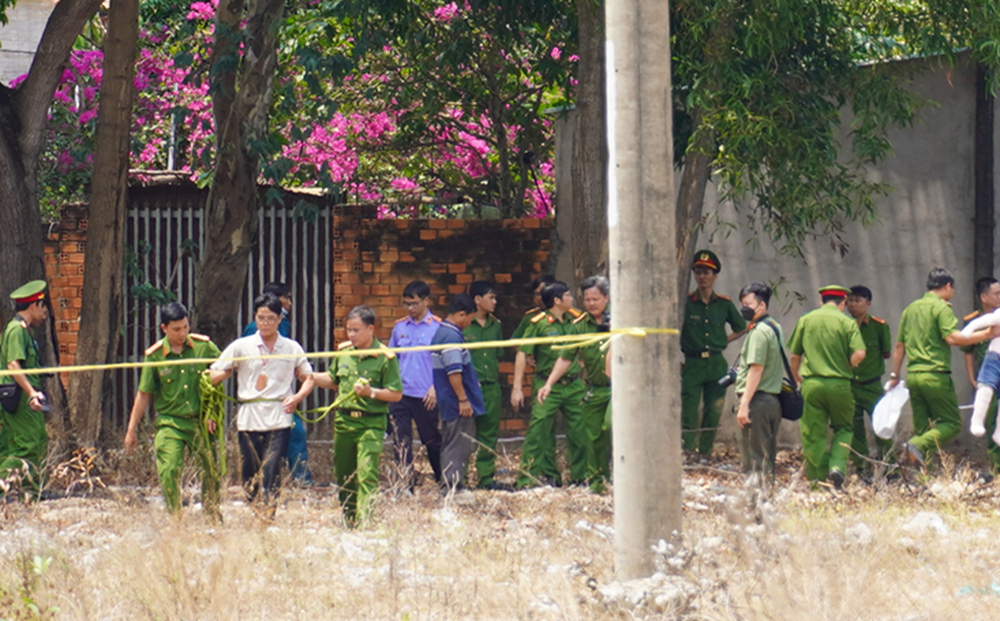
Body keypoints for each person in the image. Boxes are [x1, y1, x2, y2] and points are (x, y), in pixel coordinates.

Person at [208, 294, 314, 515]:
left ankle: (270, 511)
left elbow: (308, 377)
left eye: (270, 318)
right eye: (261, 318)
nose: (265, 323)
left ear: (279, 320)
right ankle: (255, 506)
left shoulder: (291, 347)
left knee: (272, 465)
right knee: (250, 468)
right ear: (255, 318)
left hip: (279, 414)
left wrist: (297, 398)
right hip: (249, 415)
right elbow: (217, 370)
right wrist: (210, 378)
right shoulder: (241, 346)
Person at [889, 268, 997, 468]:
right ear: (947, 286)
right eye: (952, 289)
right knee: (952, 423)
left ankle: (923, 475)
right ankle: (914, 444)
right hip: (936, 375)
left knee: (924, 428)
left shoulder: (910, 309)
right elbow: (953, 338)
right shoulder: (941, 308)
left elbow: (899, 346)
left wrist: (895, 374)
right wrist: (987, 334)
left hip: (913, 375)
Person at [125, 302, 221, 514]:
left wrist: (212, 411)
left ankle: (213, 515)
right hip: (171, 422)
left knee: (210, 471)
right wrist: (132, 429)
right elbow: (144, 394)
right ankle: (175, 517)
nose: (183, 333)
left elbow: (224, 369)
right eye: (176, 329)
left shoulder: (203, 347)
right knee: (169, 469)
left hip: (200, 421)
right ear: (164, 329)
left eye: (185, 327)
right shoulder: (156, 355)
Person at [312, 306, 402, 526]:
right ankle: (349, 518)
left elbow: (396, 394)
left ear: (370, 329)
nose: (350, 335)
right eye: (348, 330)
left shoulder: (385, 357)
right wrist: (309, 376)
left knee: (366, 471)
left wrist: (371, 392)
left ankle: (365, 520)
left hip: (371, 422)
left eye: (356, 330)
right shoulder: (344, 352)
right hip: (344, 422)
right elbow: (333, 379)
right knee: (344, 472)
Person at [511, 281, 591, 487]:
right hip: (547, 384)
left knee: (580, 433)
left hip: (573, 385)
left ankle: (579, 477)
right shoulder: (538, 323)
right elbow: (522, 352)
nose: (572, 298)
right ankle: (530, 479)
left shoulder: (575, 320)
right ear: (557, 300)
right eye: (567, 295)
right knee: (539, 432)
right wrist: (517, 387)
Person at [537, 275, 611, 492]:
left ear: (606, 298)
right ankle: (598, 482)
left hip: (618, 390)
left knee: (611, 425)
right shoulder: (578, 326)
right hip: (594, 390)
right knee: (593, 437)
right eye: (587, 299)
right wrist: (549, 383)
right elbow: (565, 358)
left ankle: (624, 476)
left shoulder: (619, 322)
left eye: (596, 299)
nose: (591, 304)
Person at [788, 285, 866, 489]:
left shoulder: (806, 320)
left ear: (821, 301)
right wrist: (846, 364)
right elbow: (860, 353)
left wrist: (796, 376)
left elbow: (795, 355)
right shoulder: (847, 322)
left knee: (813, 433)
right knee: (844, 427)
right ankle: (837, 466)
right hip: (840, 383)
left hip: (811, 383)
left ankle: (818, 482)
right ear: (843, 303)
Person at [242, 282, 312, 487]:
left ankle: (293, 480)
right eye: (286, 298)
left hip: (281, 392)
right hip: (263, 396)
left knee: (291, 434)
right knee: (288, 435)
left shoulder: (283, 324)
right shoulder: (259, 328)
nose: (289, 303)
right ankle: (290, 480)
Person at [680, 250, 747, 457]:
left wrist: (723, 341)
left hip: (716, 363)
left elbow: (741, 326)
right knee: (689, 411)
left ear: (715, 275)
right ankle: (689, 452)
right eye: (698, 272)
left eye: (707, 272)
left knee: (714, 410)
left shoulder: (724, 304)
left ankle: (706, 452)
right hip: (693, 364)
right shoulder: (686, 302)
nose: (702, 276)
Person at [388, 280, 443, 489]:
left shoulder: (438, 327)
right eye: (406, 304)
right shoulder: (400, 327)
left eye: (414, 303)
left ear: (426, 301)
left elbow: (443, 362)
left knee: (431, 440)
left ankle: (442, 480)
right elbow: (392, 359)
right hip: (401, 393)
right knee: (401, 441)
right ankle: (405, 484)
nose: (410, 308)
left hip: (426, 393)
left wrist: (435, 387)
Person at [0, 281, 51, 500]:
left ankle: (31, 493)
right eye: (44, 307)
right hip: (21, 398)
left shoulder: (25, 331)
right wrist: (31, 392)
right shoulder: (16, 330)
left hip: (24, 396)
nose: (46, 313)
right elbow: (13, 365)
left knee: (35, 441)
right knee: (27, 446)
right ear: (34, 305)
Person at [432, 294, 486, 491]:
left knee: (451, 440)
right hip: (455, 400)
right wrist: (463, 399)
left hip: (448, 399)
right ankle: (452, 485)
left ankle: (450, 482)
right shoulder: (451, 336)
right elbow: (454, 371)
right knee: (458, 442)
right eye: (470, 318)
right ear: (461, 314)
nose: (469, 323)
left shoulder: (442, 332)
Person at [733, 282, 785, 485]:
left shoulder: (759, 332)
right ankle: (766, 502)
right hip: (771, 400)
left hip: (756, 402)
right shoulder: (774, 327)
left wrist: (744, 405)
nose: (744, 308)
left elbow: (756, 369)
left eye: (748, 303)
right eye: (742, 303)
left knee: (754, 460)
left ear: (761, 305)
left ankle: (757, 505)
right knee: (766, 458)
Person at [462, 280, 506, 490]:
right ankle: (459, 477)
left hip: (491, 386)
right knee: (464, 433)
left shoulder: (495, 325)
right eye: (491, 297)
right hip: (469, 389)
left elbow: (498, 355)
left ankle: (486, 476)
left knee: (489, 432)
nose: (495, 301)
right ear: (477, 300)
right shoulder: (464, 325)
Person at [845, 285, 893, 473]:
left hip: (872, 385)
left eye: (857, 301)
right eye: (849, 301)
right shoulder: (843, 325)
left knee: (882, 426)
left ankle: (889, 466)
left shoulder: (878, 326)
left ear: (868, 303)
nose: (853, 305)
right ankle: (861, 467)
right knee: (855, 428)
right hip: (850, 385)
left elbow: (886, 352)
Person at [961, 276, 1000, 473]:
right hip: (988, 376)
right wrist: (971, 378)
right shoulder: (974, 320)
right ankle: (996, 467)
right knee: (989, 418)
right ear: (984, 297)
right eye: (997, 294)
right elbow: (968, 352)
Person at [511, 275, 556, 340]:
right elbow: (514, 341)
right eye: (537, 294)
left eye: (543, 293)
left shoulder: (570, 316)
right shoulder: (531, 317)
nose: (540, 298)